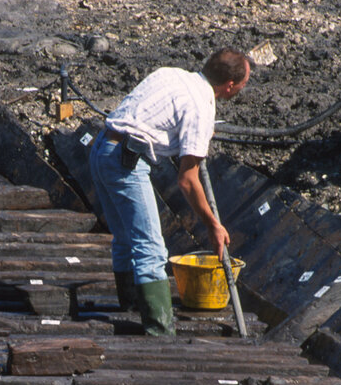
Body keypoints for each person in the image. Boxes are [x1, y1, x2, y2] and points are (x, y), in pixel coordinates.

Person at [89, 48, 251, 335]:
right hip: (125, 163)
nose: (242, 88)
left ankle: (132, 306)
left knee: (126, 239)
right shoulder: (201, 108)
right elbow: (187, 180)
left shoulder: (172, 75)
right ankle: (160, 331)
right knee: (151, 248)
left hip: (102, 148)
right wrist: (213, 225)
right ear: (229, 86)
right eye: (243, 84)